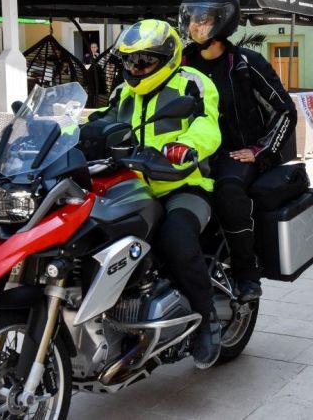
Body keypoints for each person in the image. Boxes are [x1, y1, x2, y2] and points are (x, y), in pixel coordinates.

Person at [88, 19, 223, 369]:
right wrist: (66, 133)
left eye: (144, 61)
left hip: (183, 185)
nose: (135, 69)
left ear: (168, 57)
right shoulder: (124, 92)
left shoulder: (192, 83)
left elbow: (207, 124)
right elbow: (103, 121)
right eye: (129, 61)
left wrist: (186, 146)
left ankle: (206, 322)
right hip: (130, 186)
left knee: (176, 239)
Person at [178, 0, 297, 302]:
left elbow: (285, 111)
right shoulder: (180, 63)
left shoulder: (246, 63)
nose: (194, 25)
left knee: (229, 192)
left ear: (223, 21)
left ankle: (247, 272)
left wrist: (260, 150)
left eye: (202, 18)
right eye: (191, 17)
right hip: (190, 152)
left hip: (234, 155)